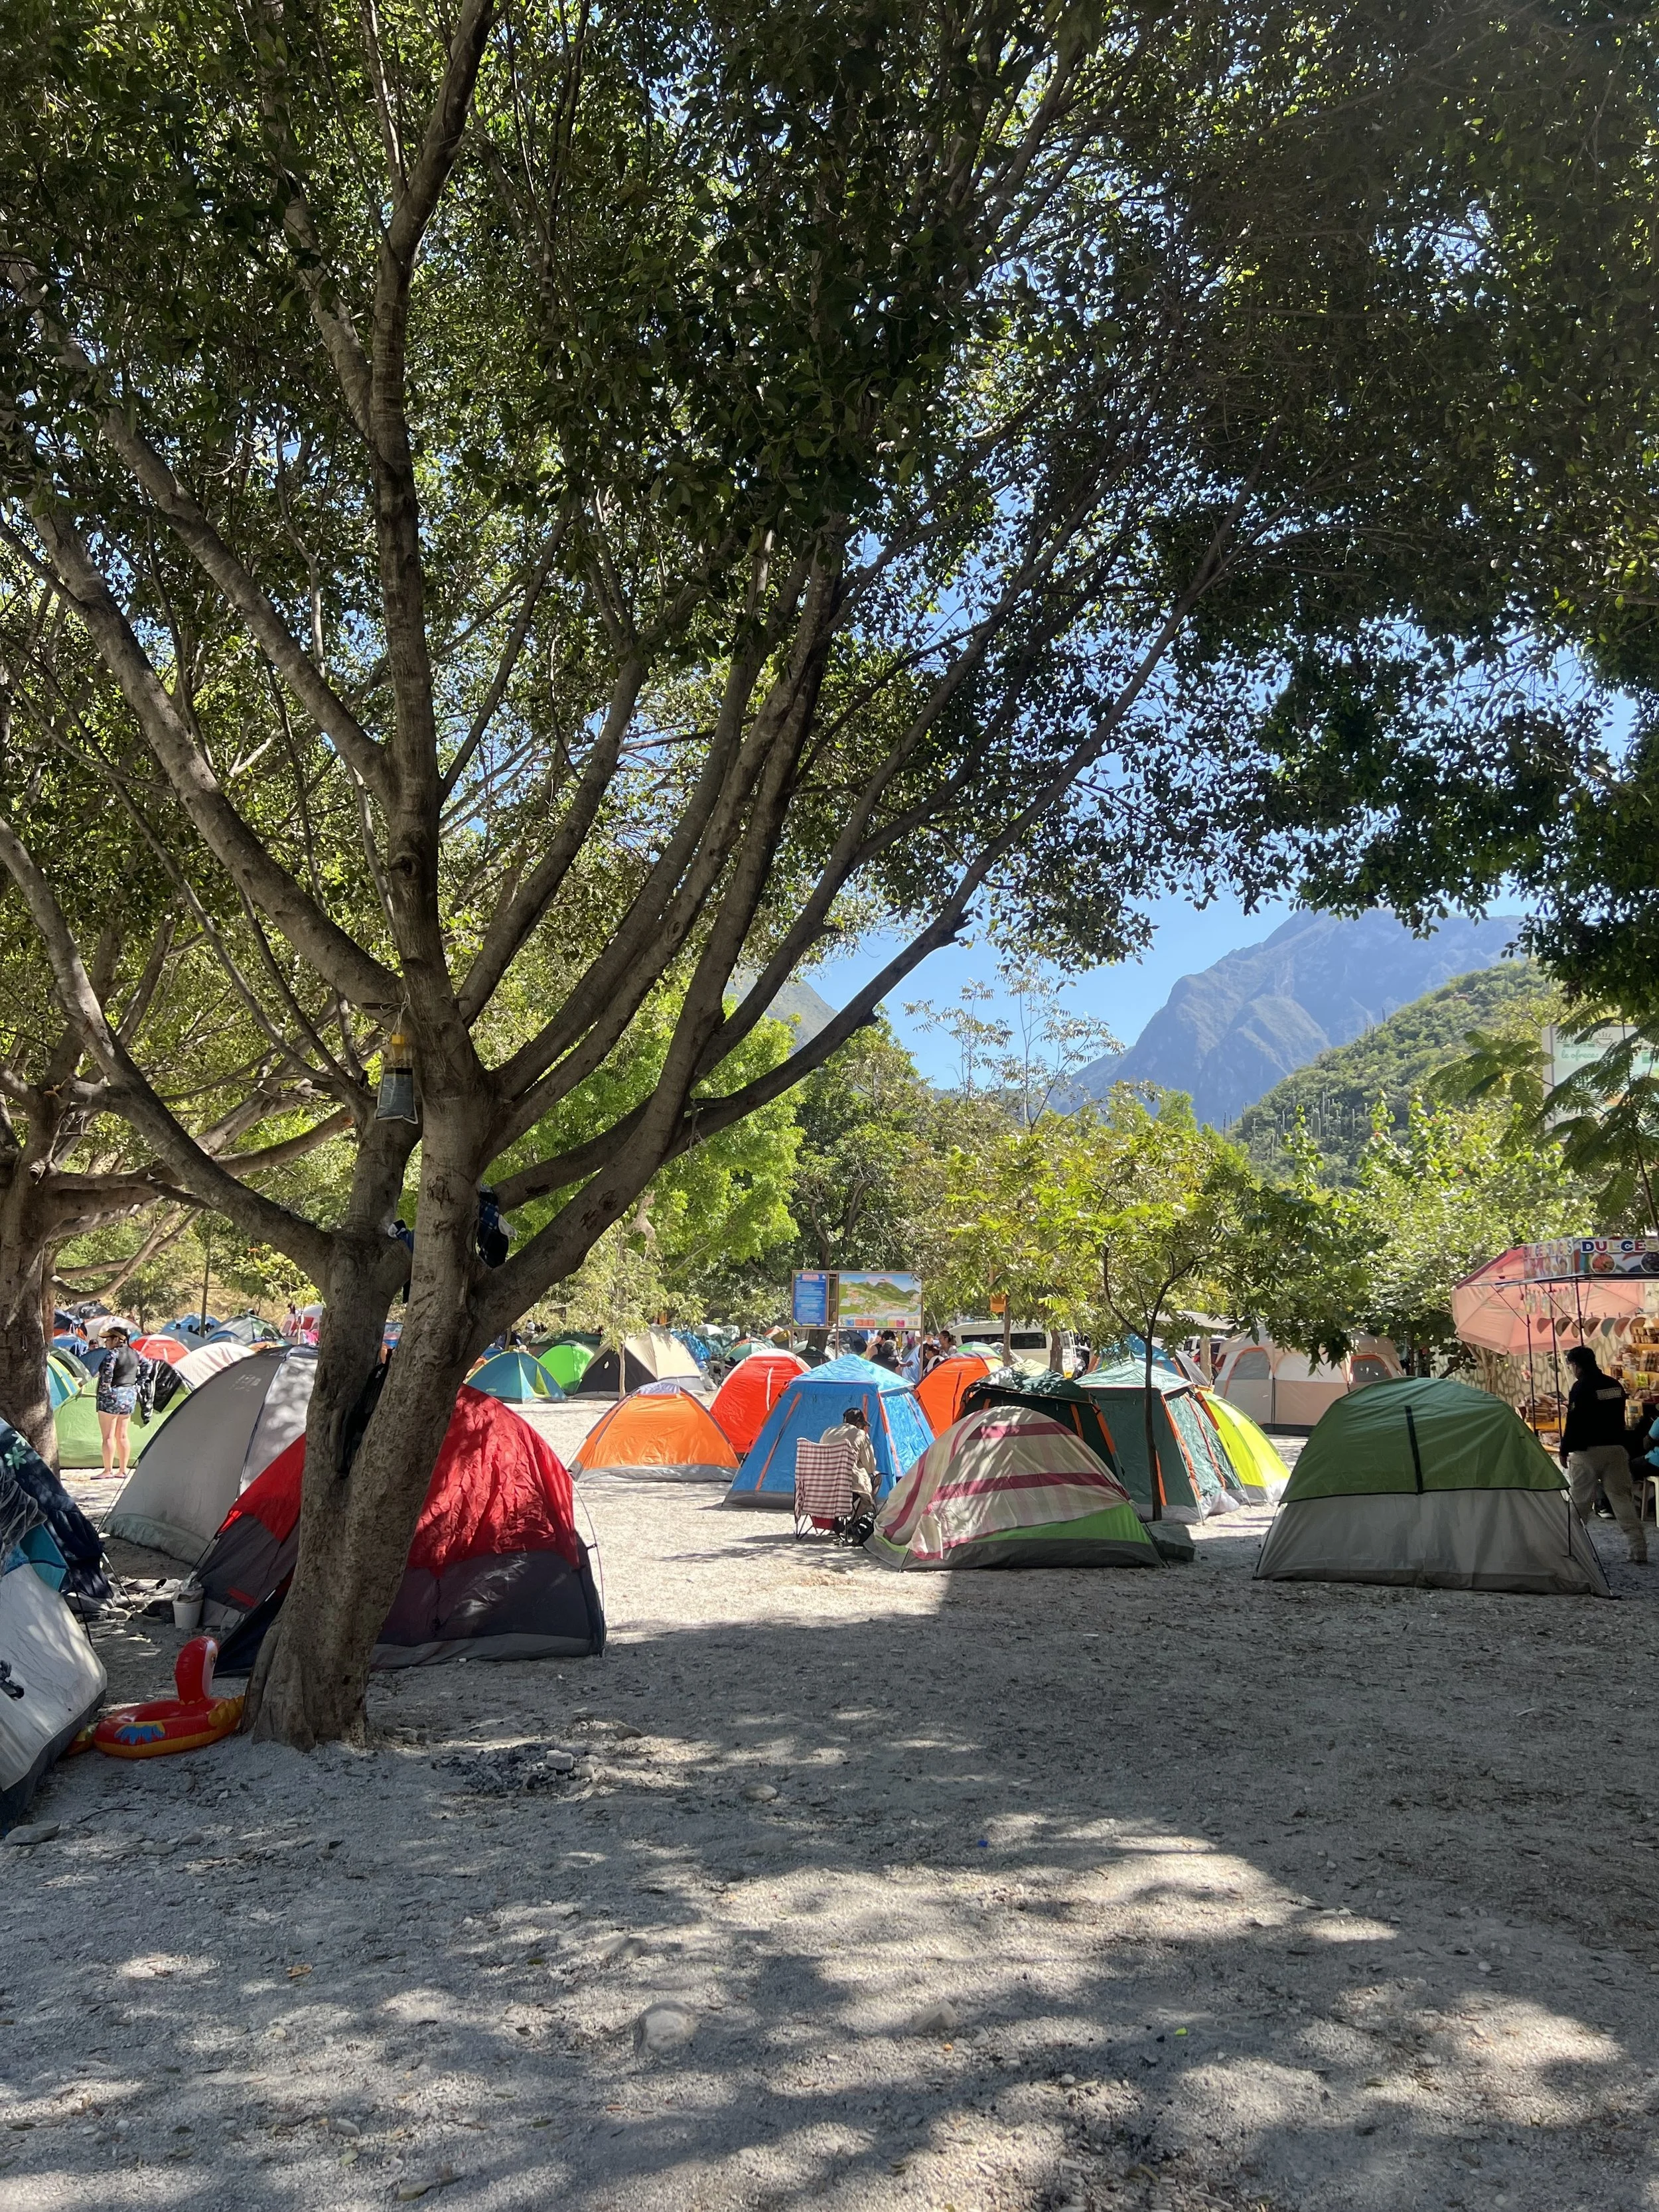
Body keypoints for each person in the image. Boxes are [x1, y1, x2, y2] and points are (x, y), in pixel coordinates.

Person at [1561, 1345, 1646, 1564]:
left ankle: (1570, 1548)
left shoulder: (1581, 1388)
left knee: (1580, 1503)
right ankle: (1638, 1549)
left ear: (1577, 1366)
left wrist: (1564, 1448)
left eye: (1571, 1365)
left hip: (1587, 1452)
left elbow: (1574, 1423)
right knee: (1622, 1500)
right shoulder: (1614, 1385)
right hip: (1616, 1450)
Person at [95, 1324, 149, 1481]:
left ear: (117, 1339)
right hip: (129, 1396)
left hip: (111, 1397)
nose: (105, 1342)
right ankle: (123, 1470)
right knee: (123, 1435)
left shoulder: (112, 1355)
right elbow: (148, 1365)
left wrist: (105, 1391)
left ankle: (107, 1470)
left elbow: (107, 1374)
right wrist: (139, 1384)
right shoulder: (135, 1354)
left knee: (108, 1436)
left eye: (108, 1339)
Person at [820, 1404, 879, 1536]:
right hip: (848, 1488)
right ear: (858, 1423)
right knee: (876, 1478)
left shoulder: (828, 1432)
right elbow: (870, 1467)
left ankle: (837, 1520)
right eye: (863, 1425)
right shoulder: (860, 1434)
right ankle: (852, 1523)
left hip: (823, 1486)